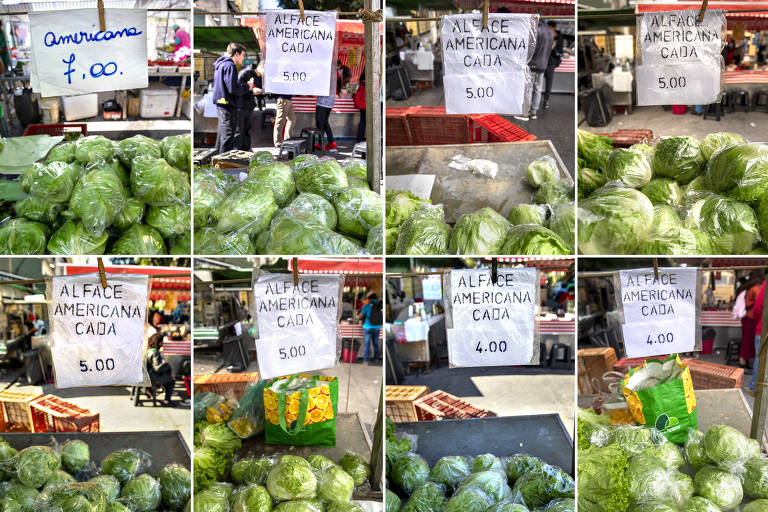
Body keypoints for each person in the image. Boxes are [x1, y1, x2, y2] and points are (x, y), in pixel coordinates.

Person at [212, 43, 258, 154]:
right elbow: (233, 89)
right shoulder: (230, 65)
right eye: (242, 55)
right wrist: (248, 86)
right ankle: (222, 167)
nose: (243, 58)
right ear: (236, 54)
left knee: (221, 138)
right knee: (227, 138)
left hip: (221, 105)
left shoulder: (221, 64)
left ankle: (214, 163)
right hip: (228, 107)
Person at [515, 18, 554, 122]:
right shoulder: (550, 32)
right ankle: (534, 112)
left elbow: (533, 49)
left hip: (533, 64)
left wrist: (526, 60)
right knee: (538, 88)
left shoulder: (537, 31)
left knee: (528, 88)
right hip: (543, 65)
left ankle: (525, 113)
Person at [237, 60, 261, 151]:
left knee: (247, 130)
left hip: (249, 105)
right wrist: (251, 91)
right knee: (240, 131)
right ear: (261, 67)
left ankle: (246, 150)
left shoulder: (257, 76)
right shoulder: (244, 73)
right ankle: (239, 152)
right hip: (241, 106)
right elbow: (237, 90)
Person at [146, 333, 175, 405]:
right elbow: (158, 368)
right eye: (162, 342)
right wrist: (167, 365)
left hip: (147, 376)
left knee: (167, 378)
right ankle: (167, 401)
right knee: (171, 381)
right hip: (152, 377)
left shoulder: (148, 350)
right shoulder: (155, 352)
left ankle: (150, 391)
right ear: (158, 342)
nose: (162, 344)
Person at [542, 21, 563, 110]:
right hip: (542, 61)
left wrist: (553, 48)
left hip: (551, 63)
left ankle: (546, 100)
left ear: (553, 27)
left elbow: (560, 51)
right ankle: (534, 100)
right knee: (537, 81)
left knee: (549, 82)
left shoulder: (558, 38)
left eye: (549, 28)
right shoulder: (545, 35)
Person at [358, 292, 383, 363]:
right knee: (376, 344)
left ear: (370, 299)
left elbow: (360, 316)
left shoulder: (368, 306)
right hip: (377, 328)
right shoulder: (381, 305)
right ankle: (376, 359)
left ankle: (366, 360)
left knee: (367, 344)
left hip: (368, 327)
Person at [354, 68, 366, 142]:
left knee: (362, 121)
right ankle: (360, 139)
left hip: (362, 103)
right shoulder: (370, 79)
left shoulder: (362, 77)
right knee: (364, 121)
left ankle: (360, 137)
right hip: (366, 103)